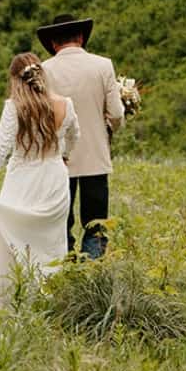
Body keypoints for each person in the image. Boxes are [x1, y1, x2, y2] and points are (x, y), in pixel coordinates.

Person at [0, 52, 80, 292]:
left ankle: (16, 290)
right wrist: (63, 155)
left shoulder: (15, 108)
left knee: (11, 237)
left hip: (22, 180)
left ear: (15, 79)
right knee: (51, 243)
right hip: (54, 179)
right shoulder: (65, 104)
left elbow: (1, 147)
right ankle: (50, 292)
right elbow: (75, 135)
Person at [38, 13, 124, 259]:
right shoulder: (103, 65)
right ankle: (92, 271)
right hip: (95, 156)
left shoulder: (44, 70)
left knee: (60, 222)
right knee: (96, 222)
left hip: (57, 159)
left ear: (54, 43)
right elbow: (116, 114)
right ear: (81, 37)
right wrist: (109, 128)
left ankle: (64, 266)